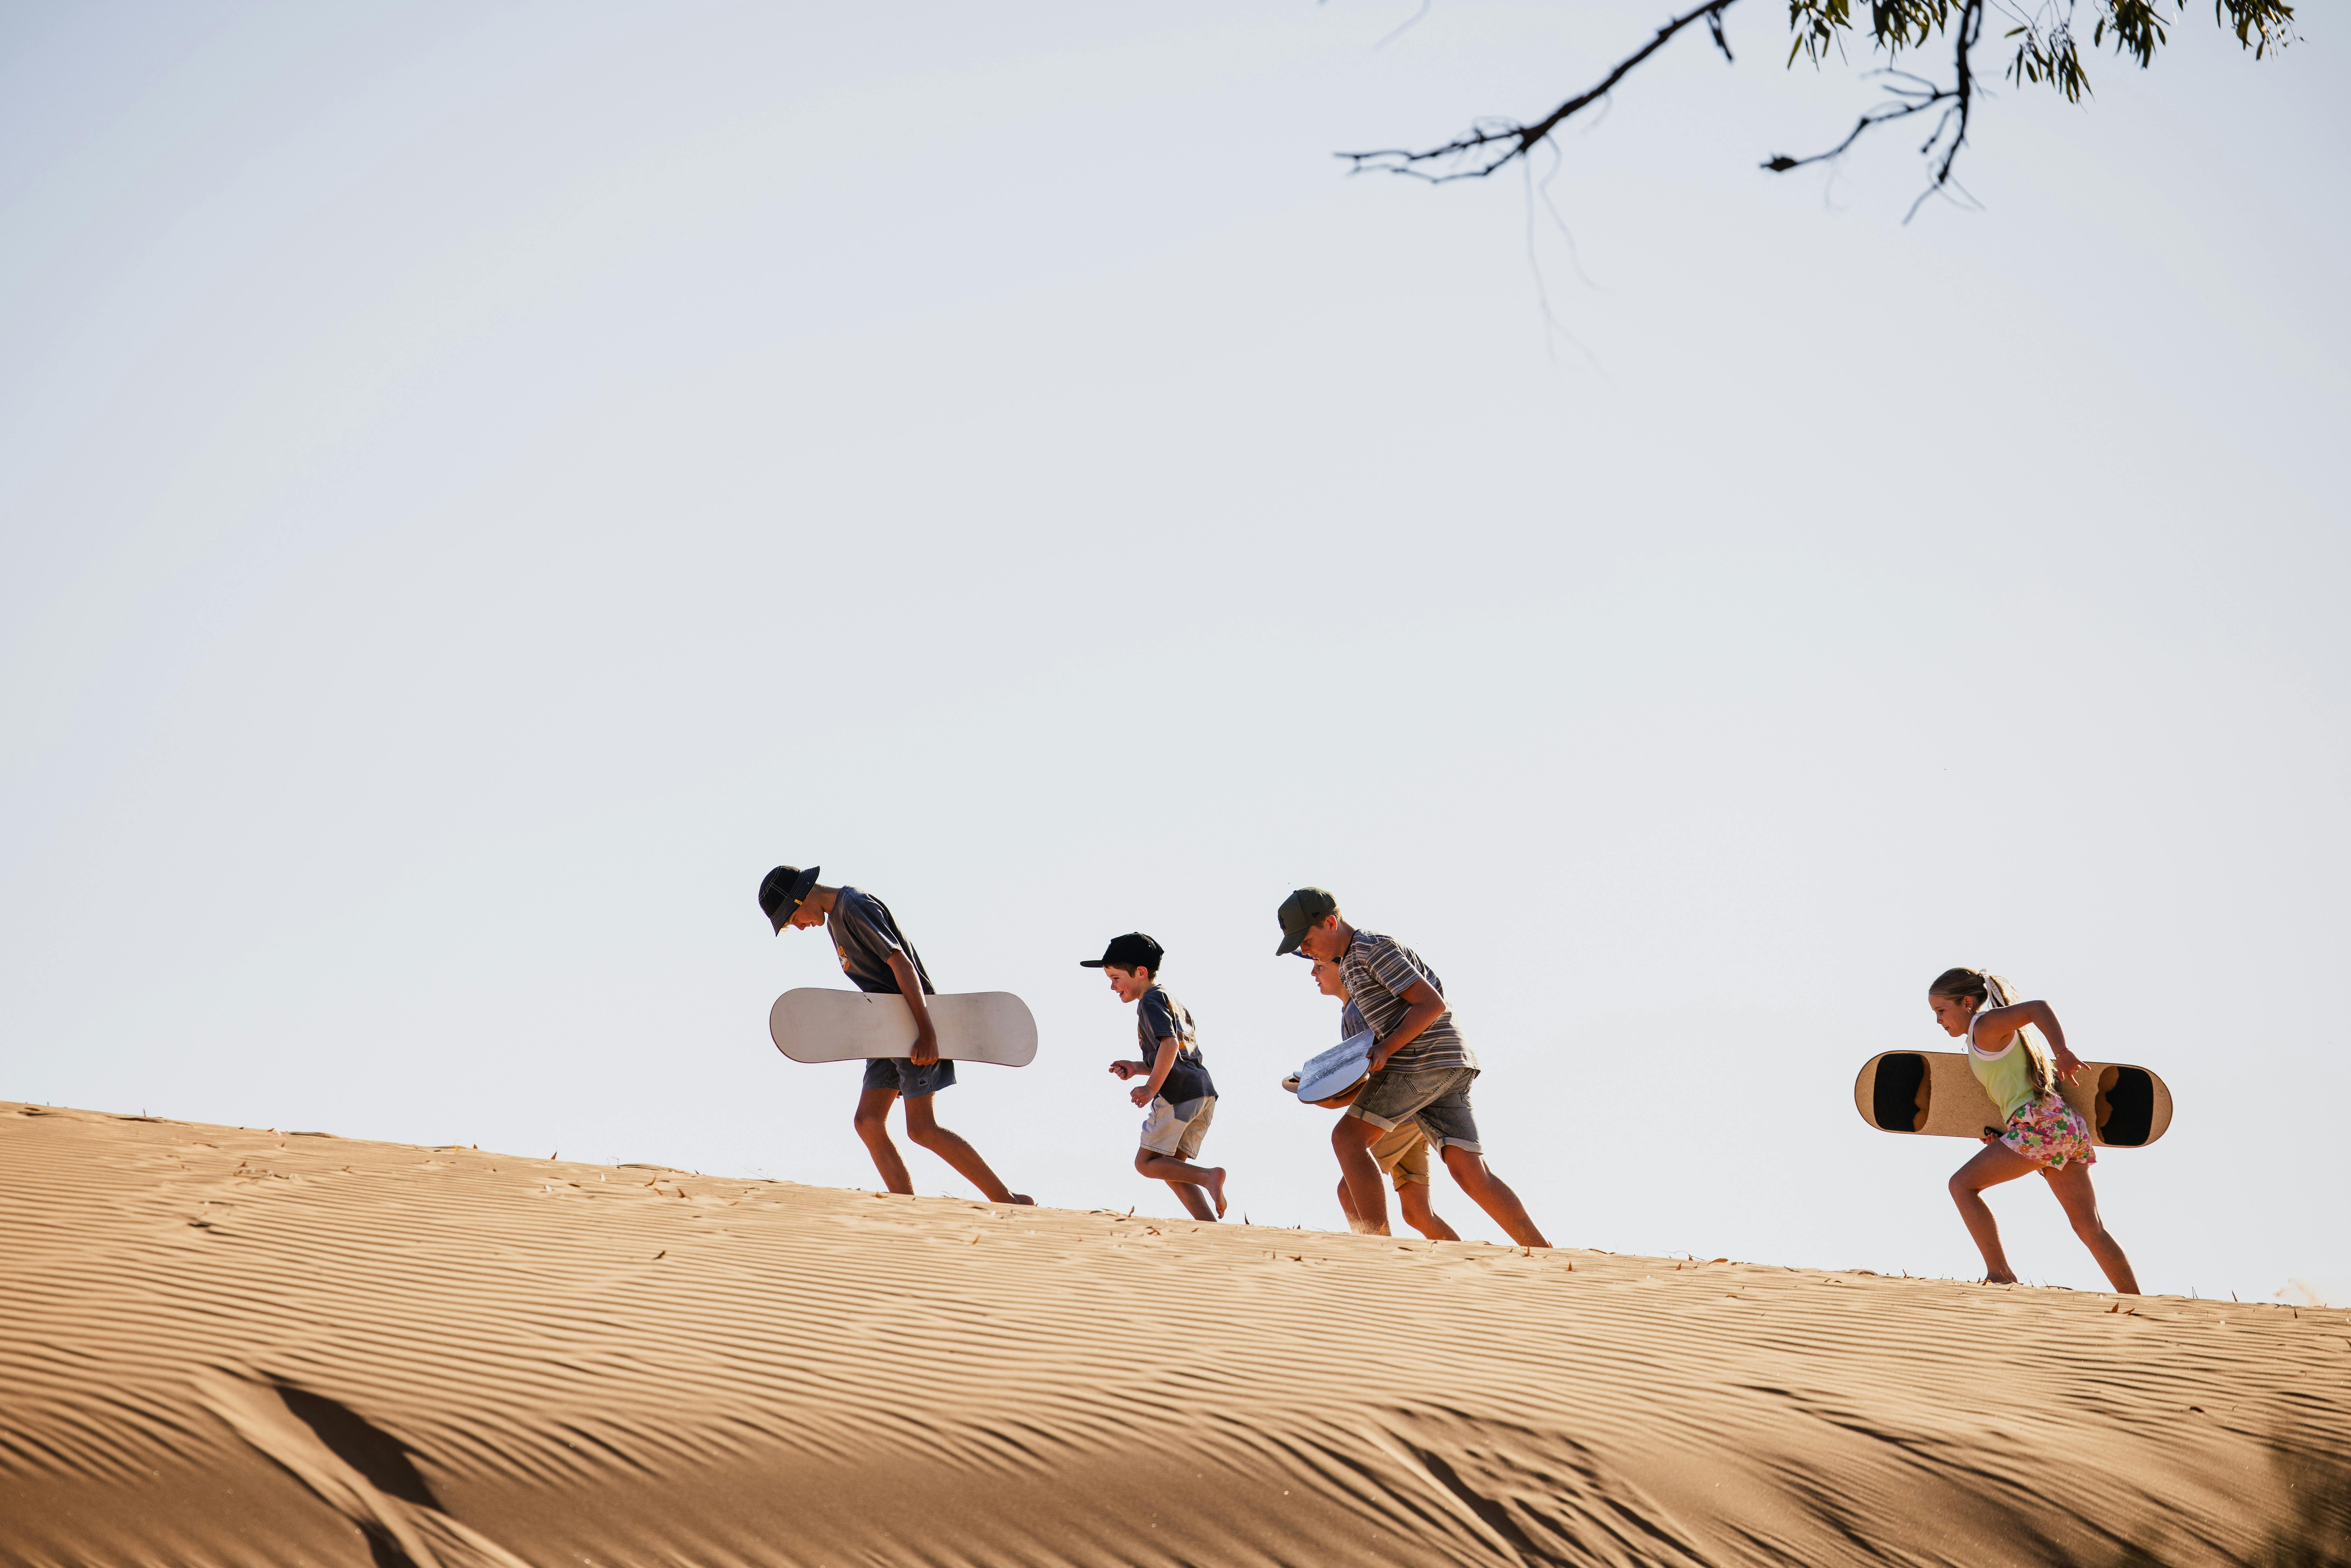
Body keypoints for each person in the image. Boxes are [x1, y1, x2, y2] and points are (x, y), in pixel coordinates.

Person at [1275, 888, 1548, 1247]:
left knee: (1347, 1140)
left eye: (1307, 941)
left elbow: (1431, 1003)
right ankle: (1543, 1254)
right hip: (1448, 1061)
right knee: (1470, 1172)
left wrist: (1388, 1047)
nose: (1306, 952)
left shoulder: (1368, 949)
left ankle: (1378, 1250)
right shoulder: (1354, 963)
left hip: (1419, 1060)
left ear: (1331, 923)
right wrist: (1330, 1090)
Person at [759, 865, 1030, 1206]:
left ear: (800, 897)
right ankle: (905, 1210)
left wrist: (927, 1031)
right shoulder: (835, 920)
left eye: (792, 918)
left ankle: (1006, 1200)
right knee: (868, 1121)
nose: (797, 926)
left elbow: (900, 963)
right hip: (884, 1035)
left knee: (922, 1128)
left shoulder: (853, 906)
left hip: (912, 1027)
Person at [1930, 967, 2137, 1293]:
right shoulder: (1986, 1035)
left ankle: (1999, 1275)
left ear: (1967, 1002)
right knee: (2089, 1228)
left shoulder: (1983, 1026)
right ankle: (2135, 1302)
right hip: (2061, 1125)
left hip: (2040, 1126)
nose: (1938, 1020)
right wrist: (2005, 1138)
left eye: (1941, 1011)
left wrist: (2063, 1052)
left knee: (1961, 1186)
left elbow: (2036, 1007)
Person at [1304, 955, 1459, 1241]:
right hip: (1413, 1108)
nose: (1313, 971)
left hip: (1398, 1110)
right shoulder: (1351, 1011)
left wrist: (1326, 1095)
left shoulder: (1357, 1011)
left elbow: (1378, 1075)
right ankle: (1465, 1265)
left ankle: (1375, 1254)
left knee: (1349, 1191)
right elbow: (1366, 1078)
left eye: (1320, 965)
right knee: (1417, 1212)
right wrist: (1326, 1096)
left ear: (1341, 969)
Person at [1085, 932, 1227, 1221]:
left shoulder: (1149, 1001)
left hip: (1177, 1094)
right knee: (1172, 1169)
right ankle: (1210, 1226)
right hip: (1202, 1091)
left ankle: (1209, 1176)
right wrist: (1138, 1067)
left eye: (1115, 978)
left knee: (1146, 1163)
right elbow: (1176, 1055)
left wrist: (1151, 1088)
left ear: (1140, 972)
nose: (1112, 987)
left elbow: (1170, 1045)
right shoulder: (1169, 999)